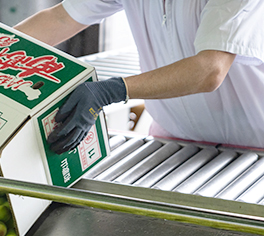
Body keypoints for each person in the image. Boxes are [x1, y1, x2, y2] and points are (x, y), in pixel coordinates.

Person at [15, 1, 264, 153]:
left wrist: (112, 90)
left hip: (253, 148)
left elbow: (209, 70)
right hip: (175, 142)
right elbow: (61, 18)